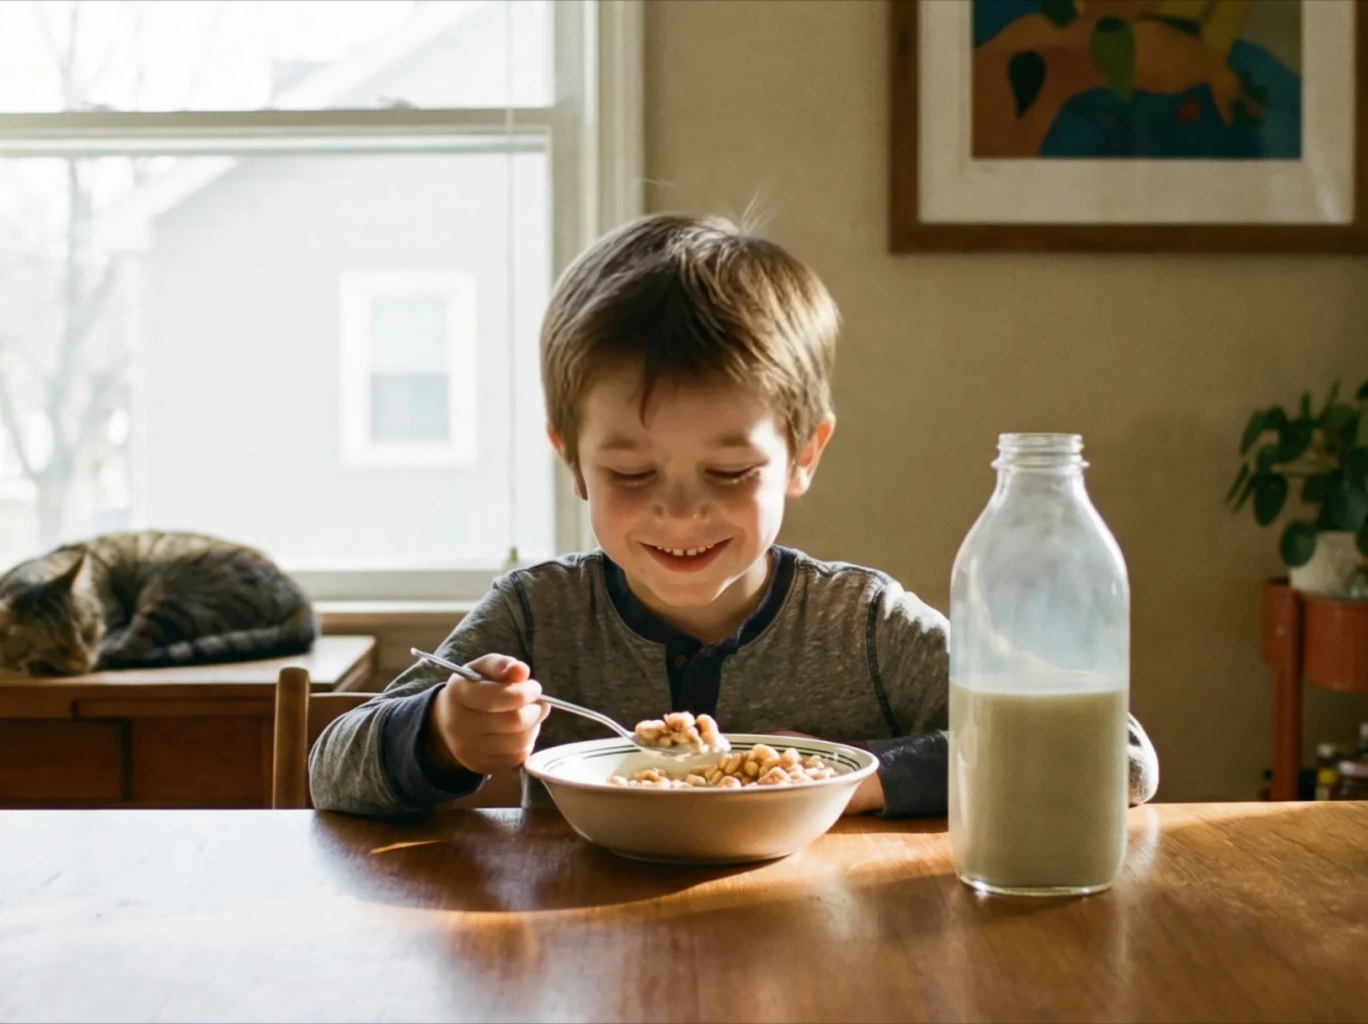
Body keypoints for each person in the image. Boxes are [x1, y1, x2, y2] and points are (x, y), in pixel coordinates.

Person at [309, 212, 1159, 817]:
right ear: (570, 457)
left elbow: (1112, 756)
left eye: (729, 469)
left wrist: (838, 779)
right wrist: (444, 735)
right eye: (631, 471)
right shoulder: (538, 619)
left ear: (804, 455)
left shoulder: (862, 626)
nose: (681, 510)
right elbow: (330, 771)